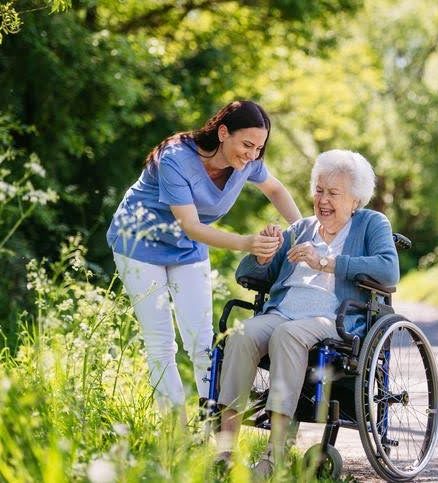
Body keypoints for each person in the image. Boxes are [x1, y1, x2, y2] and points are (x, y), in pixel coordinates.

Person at [106, 100, 301, 421]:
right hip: (139, 243)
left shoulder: (249, 163)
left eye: (259, 148)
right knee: (161, 343)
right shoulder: (176, 159)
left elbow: (276, 190)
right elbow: (192, 226)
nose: (252, 155)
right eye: (247, 145)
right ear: (223, 133)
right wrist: (246, 242)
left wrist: (305, 230)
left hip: (186, 249)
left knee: (201, 342)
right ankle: (175, 429)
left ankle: (213, 423)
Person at [216, 149, 399, 473]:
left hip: (334, 318)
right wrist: (263, 254)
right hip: (282, 311)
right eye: (319, 190)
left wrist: (326, 262)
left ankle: (275, 455)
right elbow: (249, 275)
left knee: (289, 335)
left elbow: (388, 271)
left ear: (355, 200)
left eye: (333, 193)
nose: (323, 200)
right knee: (241, 335)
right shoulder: (301, 228)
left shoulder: (371, 223)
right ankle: (225, 452)